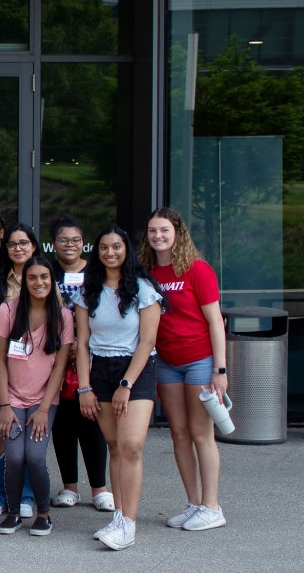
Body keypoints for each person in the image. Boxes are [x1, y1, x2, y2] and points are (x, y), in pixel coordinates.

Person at [75, 225, 163, 551]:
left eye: (116, 246)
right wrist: (84, 387)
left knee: (131, 447)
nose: (110, 252)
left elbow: (148, 341)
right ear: (96, 252)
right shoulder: (89, 291)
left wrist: (127, 383)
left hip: (135, 369)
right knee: (114, 446)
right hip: (100, 370)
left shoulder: (143, 289)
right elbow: (82, 344)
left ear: (126, 249)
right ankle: (119, 516)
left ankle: (129, 524)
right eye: (103, 247)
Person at [141, 207, 229, 532]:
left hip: (199, 362)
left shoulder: (197, 270)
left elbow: (215, 322)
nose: (158, 236)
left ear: (177, 232)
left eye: (164, 230)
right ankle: (194, 504)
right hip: (166, 362)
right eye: (153, 231)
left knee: (201, 433)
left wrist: (220, 369)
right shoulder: (148, 272)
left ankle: (212, 505)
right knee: (178, 434)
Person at [0, 256, 74, 536]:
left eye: (44, 277)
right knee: (14, 457)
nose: (39, 283)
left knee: (35, 457)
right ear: (24, 282)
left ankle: (44, 514)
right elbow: (0, 360)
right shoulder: (8, 311)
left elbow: (60, 367)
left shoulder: (63, 317)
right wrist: (4, 404)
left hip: (43, 400)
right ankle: (13, 513)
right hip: (10, 398)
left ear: (52, 281)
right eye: (32, 278)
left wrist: (43, 409)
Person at [0, 222, 40, 519]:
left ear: (34, 246)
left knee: (26, 437)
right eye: (13, 244)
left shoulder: (43, 281)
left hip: (35, 374)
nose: (18, 249)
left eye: (23, 243)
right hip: (1, 371)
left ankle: (25, 495)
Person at [49, 215, 112, 512]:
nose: (70, 245)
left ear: (83, 242)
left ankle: (99, 488)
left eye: (75, 240)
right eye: (63, 240)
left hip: (92, 355)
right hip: (56, 356)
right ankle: (69, 487)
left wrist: (79, 347)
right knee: (63, 423)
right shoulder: (47, 272)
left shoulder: (97, 273)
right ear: (54, 244)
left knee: (92, 420)